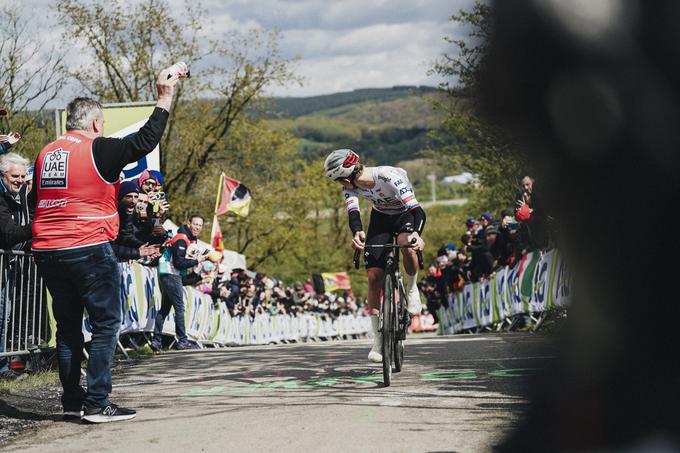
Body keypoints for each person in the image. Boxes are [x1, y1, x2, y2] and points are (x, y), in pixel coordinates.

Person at [29, 62, 188, 423]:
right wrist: (165, 96)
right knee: (105, 323)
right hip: (87, 245)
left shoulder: (45, 153)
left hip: (48, 250)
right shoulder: (99, 148)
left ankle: (72, 400)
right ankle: (97, 403)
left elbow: (35, 200)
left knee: (68, 327)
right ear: (97, 123)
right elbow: (146, 140)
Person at [324, 148, 426, 363]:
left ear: (350, 174)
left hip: (404, 215)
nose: (340, 185)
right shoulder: (350, 187)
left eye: (340, 181)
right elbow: (353, 213)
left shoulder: (389, 176)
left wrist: (417, 234)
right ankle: (377, 341)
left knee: (406, 246)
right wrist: (357, 233)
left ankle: (412, 287)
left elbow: (417, 211)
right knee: (373, 276)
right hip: (380, 219)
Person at [151, 214, 206, 351]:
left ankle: (156, 341)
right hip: (171, 274)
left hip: (167, 274)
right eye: (195, 224)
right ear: (189, 224)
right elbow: (179, 263)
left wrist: (195, 271)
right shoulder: (182, 239)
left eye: (200, 225)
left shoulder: (187, 239)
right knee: (180, 309)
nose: (198, 227)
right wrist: (196, 261)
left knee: (164, 309)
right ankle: (182, 341)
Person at [0, 152, 32, 378]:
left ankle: (3, 365)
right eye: (15, 176)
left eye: (23, 176)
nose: (20, 180)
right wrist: (39, 227)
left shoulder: (17, 197)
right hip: (4, 260)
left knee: (6, 315)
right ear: (3, 175)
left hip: (10, 264)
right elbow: (8, 234)